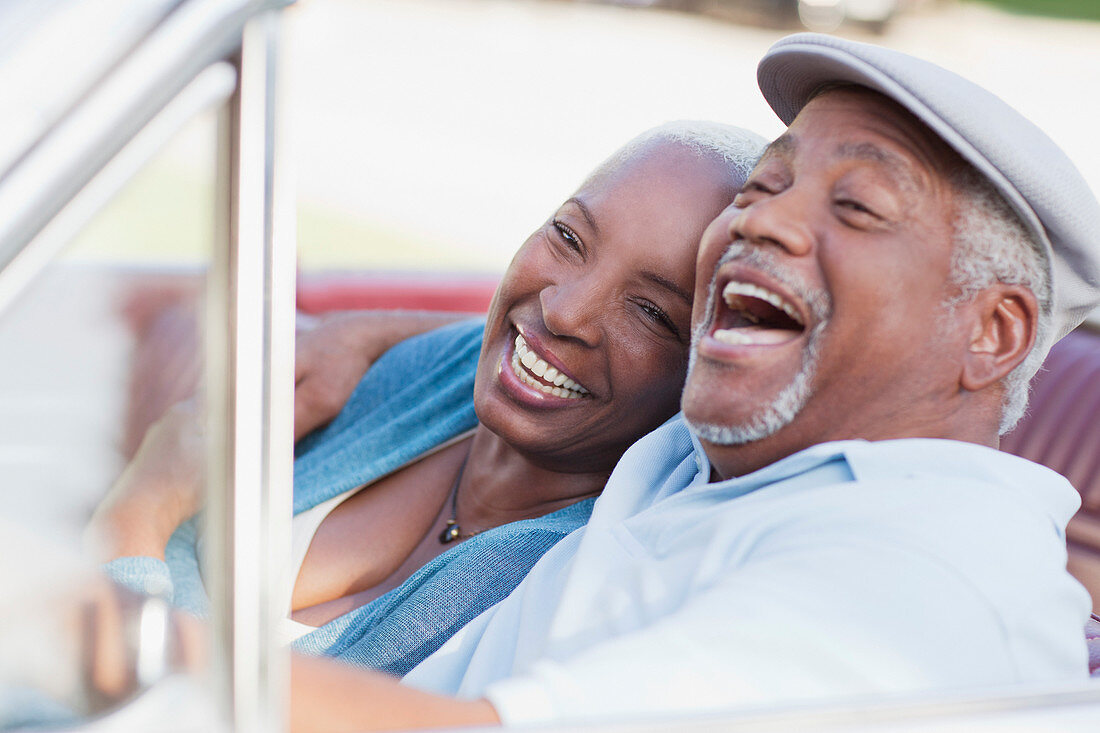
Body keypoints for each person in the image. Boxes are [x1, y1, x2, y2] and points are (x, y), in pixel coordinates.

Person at [282, 33, 1100, 731]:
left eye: (855, 206)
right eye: (765, 185)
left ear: (992, 333)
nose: (759, 220)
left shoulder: (919, 576)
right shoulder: (745, 450)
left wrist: (158, 646)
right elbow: (563, 336)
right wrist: (366, 335)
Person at [86, 122, 768, 676]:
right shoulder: (439, 375)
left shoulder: (542, 581)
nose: (564, 310)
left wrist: (140, 510)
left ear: (704, 370)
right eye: (567, 236)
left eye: (651, 311)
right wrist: (360, 330)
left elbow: (194, 709)